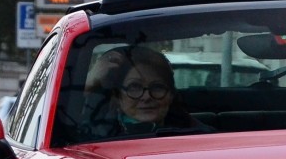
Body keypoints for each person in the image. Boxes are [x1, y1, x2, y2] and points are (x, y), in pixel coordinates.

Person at [77, 45, 206, 139]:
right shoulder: (91, 137)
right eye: (134, 87)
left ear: (171, 94)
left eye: (157, 87)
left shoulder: (196, 135)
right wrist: (90, 82)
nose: (146, 97)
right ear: (117, 97)